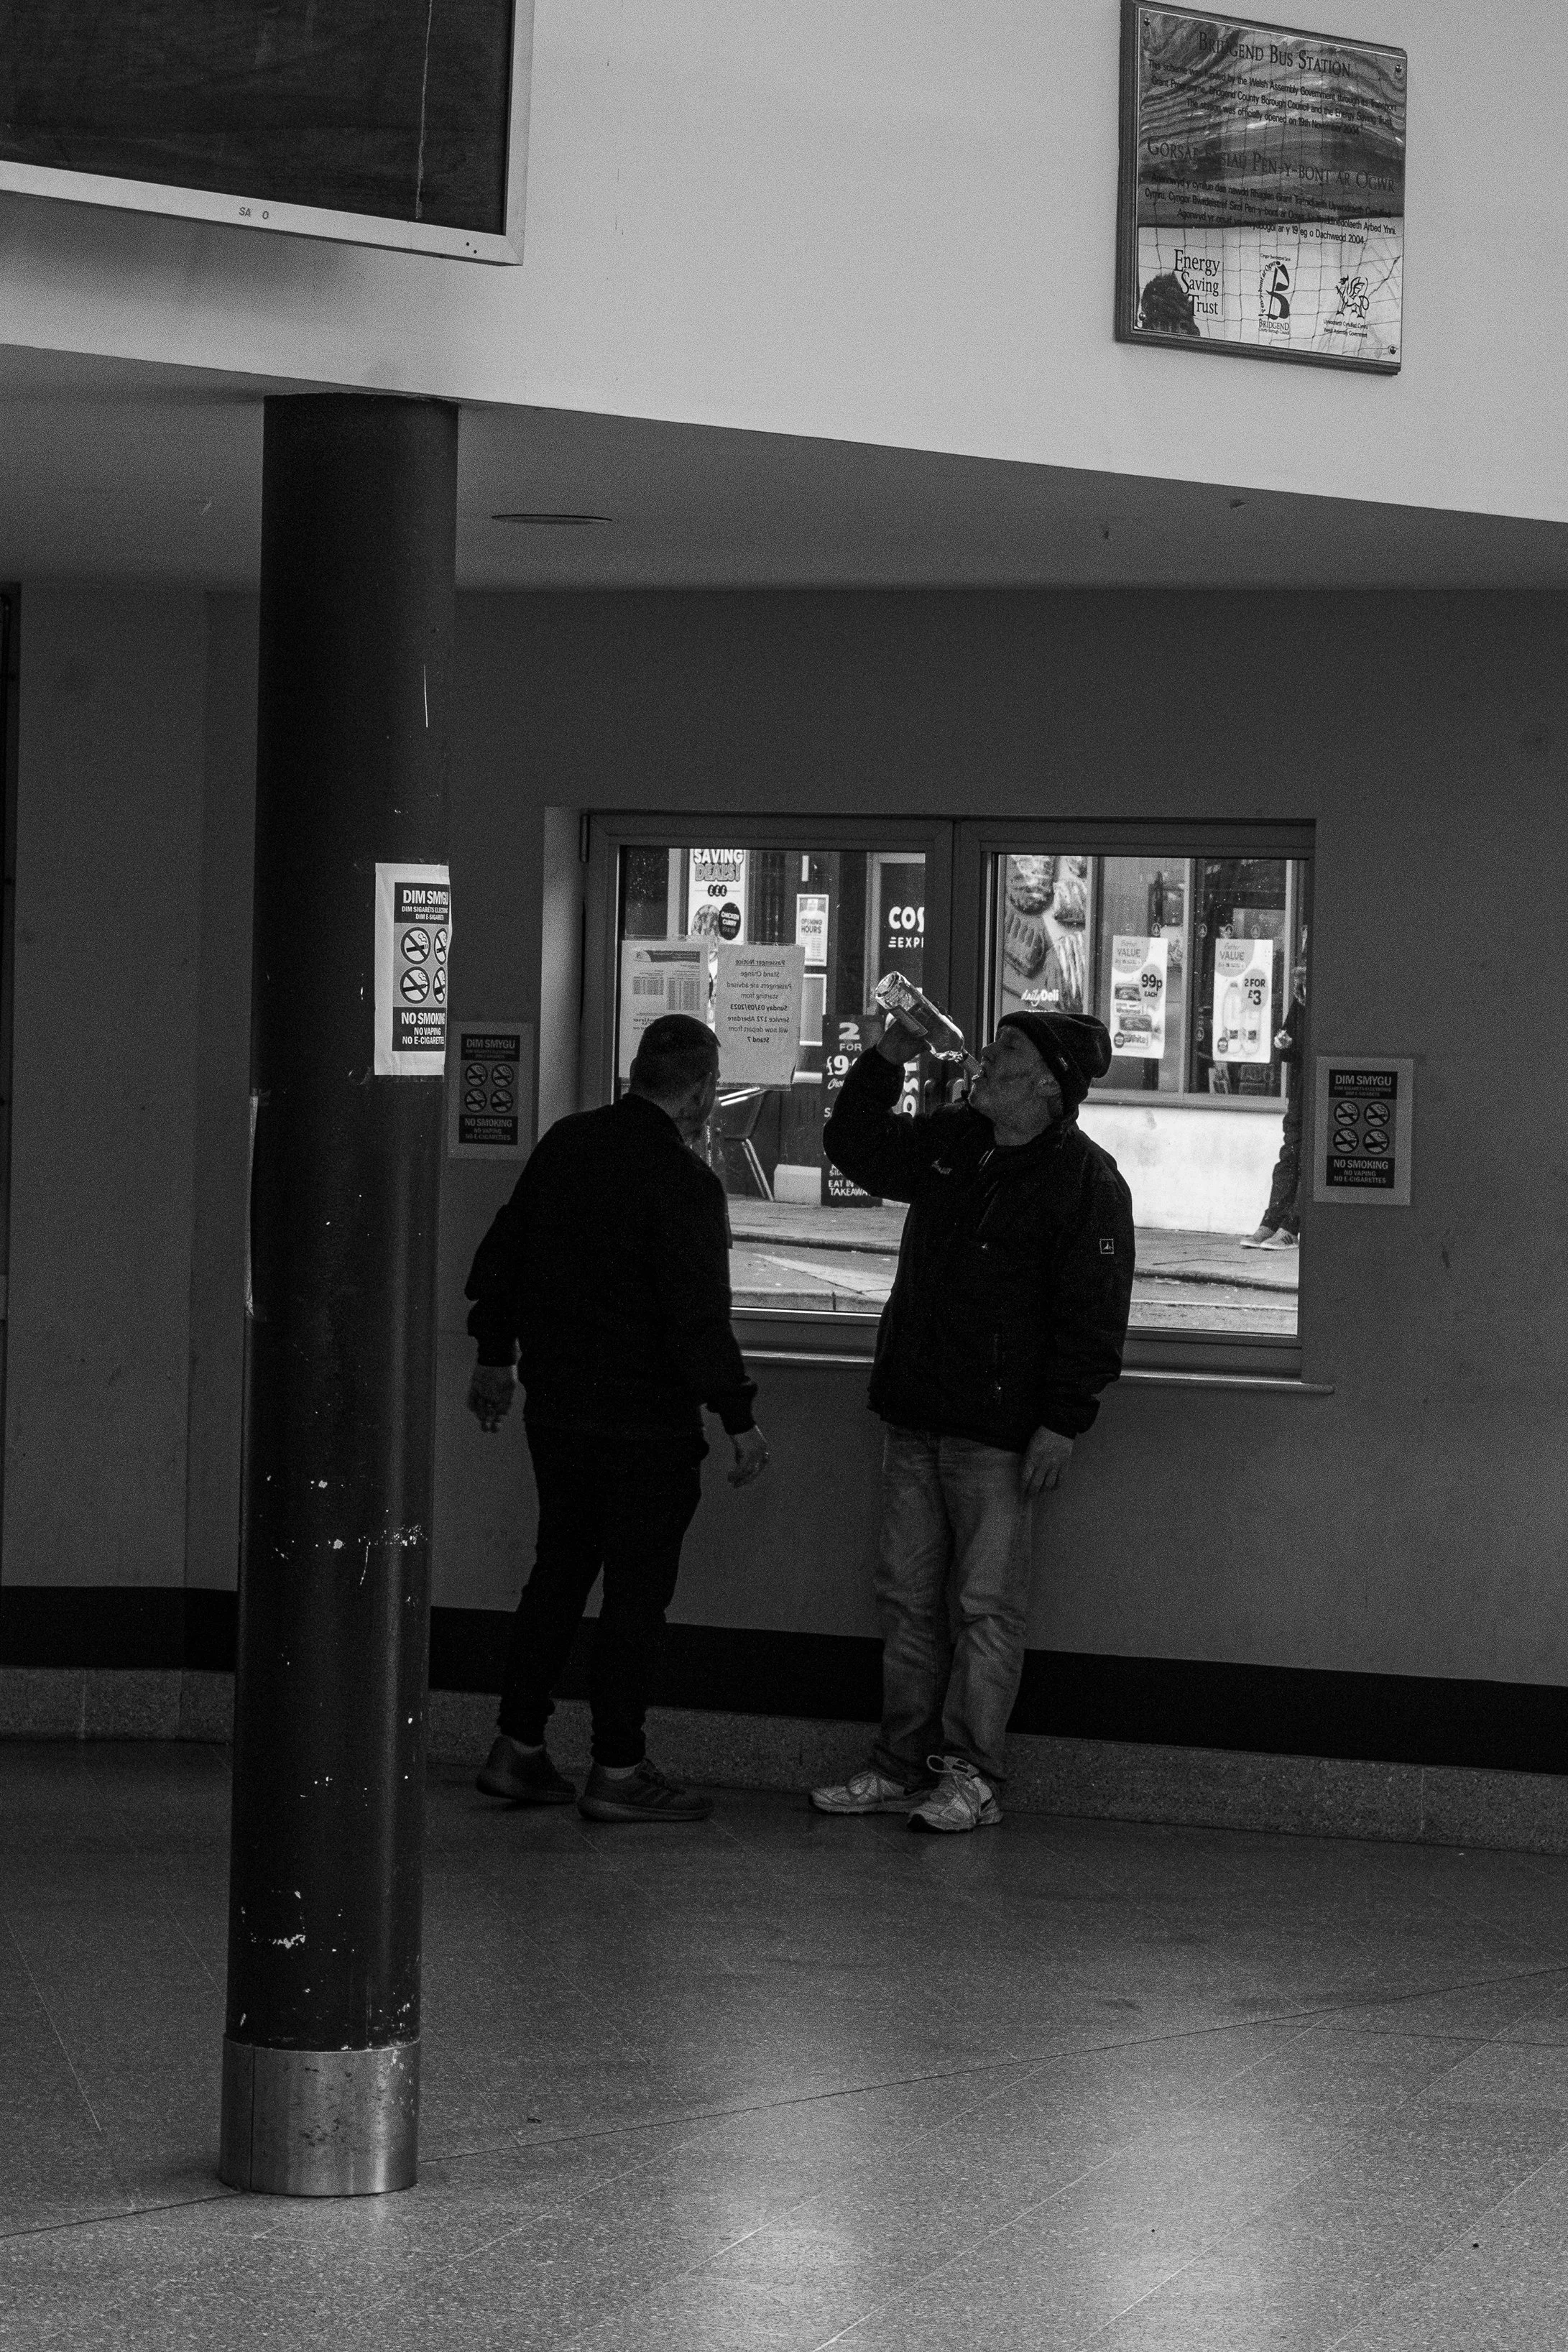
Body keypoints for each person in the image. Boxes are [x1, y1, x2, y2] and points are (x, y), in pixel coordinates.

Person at [811, 1007, 1134, 1834]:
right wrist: (883, 1061)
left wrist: (1062, 1422)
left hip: (999, 1432)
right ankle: (897, 1764)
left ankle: (971, 1775)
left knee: (986, 1608)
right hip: (915, 1411)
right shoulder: (956, 1142)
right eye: (991, 1046)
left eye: (1007, 1052)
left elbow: (1092, 1318)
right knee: (906, 1600)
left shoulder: (1086, 1182)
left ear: (1049, 1083)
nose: (985, 1061)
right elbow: (857, 1148)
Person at [465, 1013, 769, 1824]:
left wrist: (496, 1356)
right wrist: (738, 1416)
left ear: (636, 1073)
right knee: (634, 1599)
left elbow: (503, 1254)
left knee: (557, 1574)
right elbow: (697, 1316)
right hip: (648, 1426)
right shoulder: (686, 1185)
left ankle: (517, 1748)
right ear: (703, 1092)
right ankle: (618, 1768)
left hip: (558, 1412)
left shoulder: (567, 1143)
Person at [1242, 944, 1308, 1250]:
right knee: (1289, 1157)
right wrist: (1284, 1043)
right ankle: (1272, 1221)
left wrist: (1293, 1046)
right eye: (1300, 981)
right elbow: (1291, 1047)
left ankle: (1291, 1227)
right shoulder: (1301, 998)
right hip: (1300, 1090)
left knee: (1306, 1157)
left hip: (1317, 1089)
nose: (1302, 988)